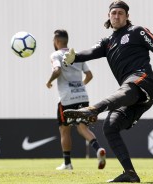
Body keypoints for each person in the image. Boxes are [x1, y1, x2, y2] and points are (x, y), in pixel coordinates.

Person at [62, 0, 153, 182]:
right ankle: (130, 173)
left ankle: (92, 110)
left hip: (144, 82)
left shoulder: (137, 32)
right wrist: (73, 58)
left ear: (127, 16)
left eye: (121, 13)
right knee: (110, 127)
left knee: (127, 88)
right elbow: (89, 52)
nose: (117, 16)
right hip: (132, 97)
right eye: (113, 13)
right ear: (109, 16)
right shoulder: (108, 42)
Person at [46, 29, 106, 170]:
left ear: (57, 41)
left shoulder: (55, 55)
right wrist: (79, 86)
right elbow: (89, 75)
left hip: (67, 99)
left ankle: (67, 163)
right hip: (82, 96)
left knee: (64, 130)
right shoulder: (76, 55)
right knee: (82, 127)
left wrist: (49, 81)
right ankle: (98, 149)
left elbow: (57, 70)